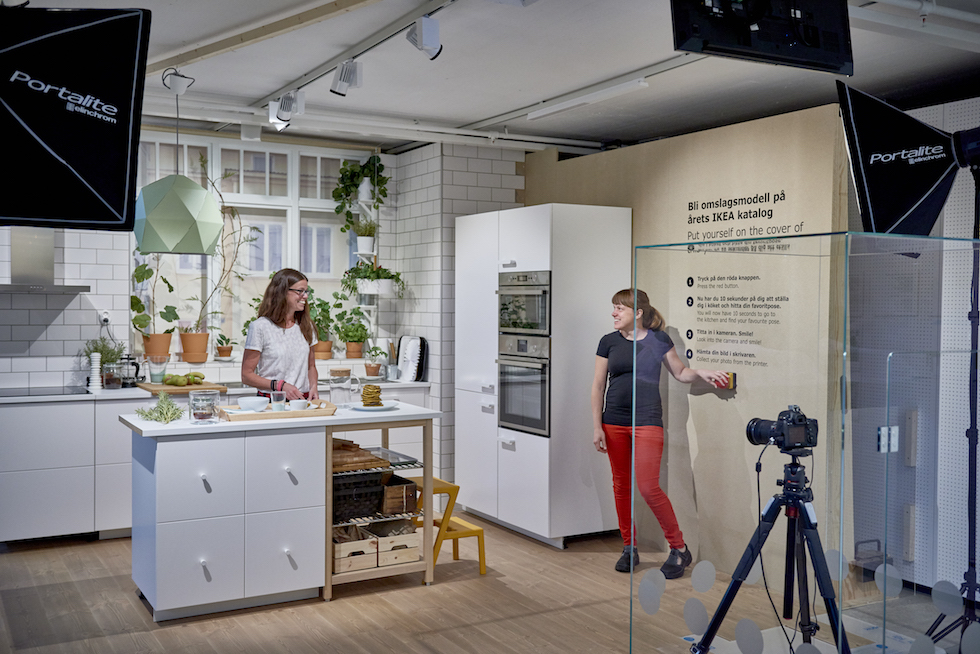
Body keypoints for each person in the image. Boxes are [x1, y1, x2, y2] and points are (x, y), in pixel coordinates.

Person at [591, 289, 728, 577]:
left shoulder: (659, 340)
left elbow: (680, 372)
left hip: (647, 421)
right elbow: (598, 385)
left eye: (619, 308)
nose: (614, 313)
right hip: (614, 422)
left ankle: (679, 548)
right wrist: (597, 426)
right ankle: (629, 547)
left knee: (647, 487)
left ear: (638, 312)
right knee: (621, 486)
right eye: (614, 307)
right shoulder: (608, 342)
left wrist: (700, 372)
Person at [242, 268, 320, 401]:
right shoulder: (260, 327)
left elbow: (311, 366)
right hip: (272, 402)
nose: (305, 296)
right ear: (282, 292)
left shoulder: (306, 326)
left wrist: (313, 386)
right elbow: (246, 375)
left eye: (306, 291)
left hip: (302, 402)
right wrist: (279, 385)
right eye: (300, 291)